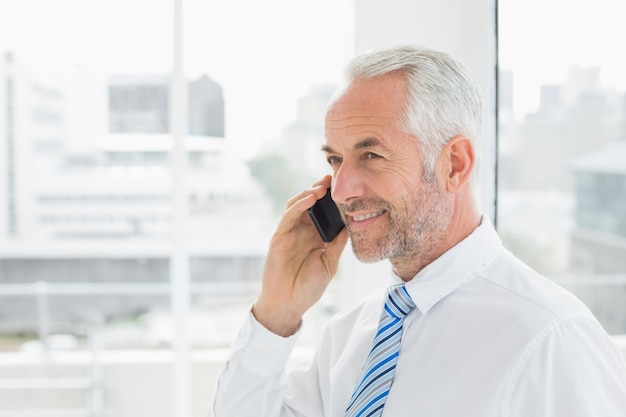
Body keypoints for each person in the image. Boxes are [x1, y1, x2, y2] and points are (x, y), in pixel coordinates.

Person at [208, 45, 626, 416]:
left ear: (454, 164)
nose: (341, 190)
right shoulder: (349, 336)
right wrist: (276, 313)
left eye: (370, 154)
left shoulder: (550, 339)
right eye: (335, 159)